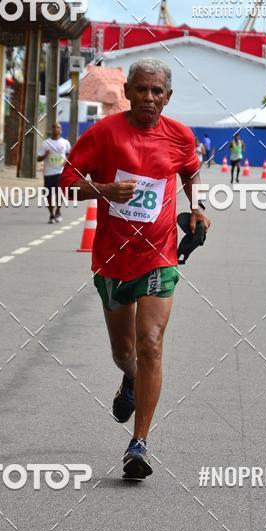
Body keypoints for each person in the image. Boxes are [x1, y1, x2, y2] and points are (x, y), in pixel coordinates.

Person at [60, 58, 211, 479]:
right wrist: (105, 189)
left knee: (152, 343)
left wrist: (198, 209)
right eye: (141, 89)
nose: (148, 97)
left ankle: (139, 442)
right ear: (127, 91)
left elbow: (191, 176)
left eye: (157, 91)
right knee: (124, 353)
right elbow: (67, 185)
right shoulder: (103, 134)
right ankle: (130, 380)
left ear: (168, 96)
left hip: (159, 256)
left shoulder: (179, 136)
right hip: (112, 258)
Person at [37, 123, 71, 223]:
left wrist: (66, 161)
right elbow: (38, 159)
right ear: (51, 130)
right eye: (54, 127)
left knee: (59, 193)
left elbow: (69, 154)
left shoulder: (65, 143)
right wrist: (45, 155)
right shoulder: (45, 144)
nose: (56, 129)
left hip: (60, 172)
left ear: (61, 130)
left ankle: (58, 211)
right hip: (48, 173)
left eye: (58, 127)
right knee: (48, 195)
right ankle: (51, 214)